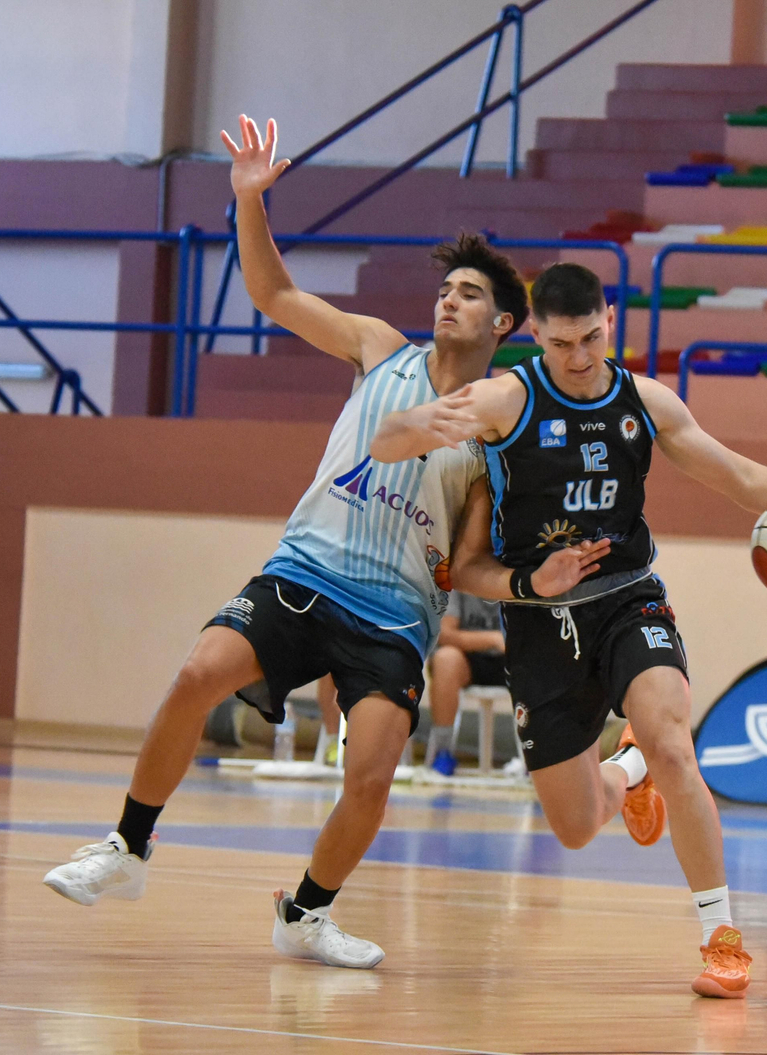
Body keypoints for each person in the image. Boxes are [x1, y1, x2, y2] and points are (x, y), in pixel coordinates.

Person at [42, 115, 531, 969]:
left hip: (396, 616)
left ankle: (305, 912)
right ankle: (126, 848)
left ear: (504, 324)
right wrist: (248, 200)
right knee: (197, 674)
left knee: (372, 776)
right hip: (306, 569)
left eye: (470, 293)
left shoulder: (494, 433)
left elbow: (471, 560)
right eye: (446, 287)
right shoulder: (380, 350)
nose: (450, 298)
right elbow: (272, 295)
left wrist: (534, 578)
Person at [368, 262, 767, 998]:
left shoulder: (645, 399)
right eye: (563, 342)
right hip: (540, 621)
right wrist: (416, 423)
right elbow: (388, 448)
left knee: (674, 741)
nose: (579, 357)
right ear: (535, 333)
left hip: (629, 598)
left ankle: (721, 939)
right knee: (576, 826)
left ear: (612, 319)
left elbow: (734, 474)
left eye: (592, 337)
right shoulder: (506, 400)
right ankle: (627, 769)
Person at [423, 590, 507, 776]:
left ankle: (538, 754)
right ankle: (443, 751)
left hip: (511, 660)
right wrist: (493, 639)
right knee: (446, 659)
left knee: (541, 661)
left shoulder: (521, 573)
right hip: (469, 659)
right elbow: (444, 633)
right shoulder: (458, 579)